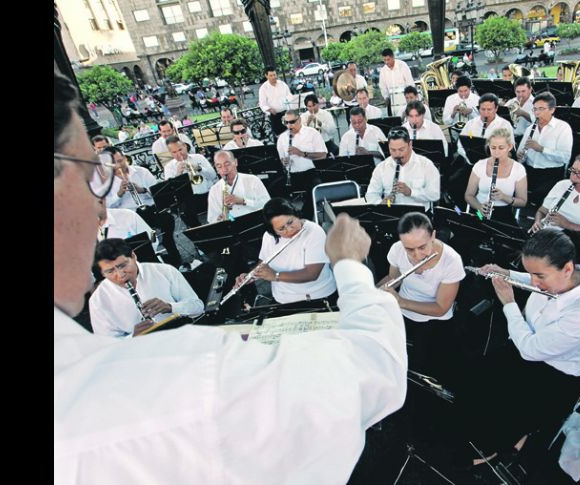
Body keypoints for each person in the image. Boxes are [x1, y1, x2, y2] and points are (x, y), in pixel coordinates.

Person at [55, 66, 408, 483]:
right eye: (93, 179)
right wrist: (349, 264)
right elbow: (372, 371)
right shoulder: (196, 375)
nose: (102, 209)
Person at [458, 228, 580, 468]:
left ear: (567, 269)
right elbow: (534, 277)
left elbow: (531, 349)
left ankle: (498, 445)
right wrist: (507, 273)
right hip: (523, 350)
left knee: (495, 412)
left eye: (540, 277)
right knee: (472, 381)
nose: (535, 284)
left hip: (553, 376)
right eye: (531, 275)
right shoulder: (561, 274)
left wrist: (509, 302)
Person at [376, 212, 465, 375]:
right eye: (409, 249)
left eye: (422, 247)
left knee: (421, 369)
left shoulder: (451, 261)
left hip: (434, 321)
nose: (417, 256)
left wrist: (401, 301)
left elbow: (441, 308)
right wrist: (373, 294)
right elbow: (393, 278)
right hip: (402, 311)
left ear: (433, 236)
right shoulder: (397, 249)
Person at [89, 238, 204, 338]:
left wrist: (171, 307)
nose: (120, 275)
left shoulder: (164, 271)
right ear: (102, 274)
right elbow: (107, 344)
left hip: (181, 336)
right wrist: (132, 338)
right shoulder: (97, 301)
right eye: (110, 271)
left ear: (133, 256)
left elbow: (198, 307)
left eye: (123, 265)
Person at [233, 198, 337, 305]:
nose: (289, 229)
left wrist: (275, 276)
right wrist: (251, 275)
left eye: (290, 222)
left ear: (296, 214)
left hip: (316, 297)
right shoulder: (269, 236)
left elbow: (311, 274)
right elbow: (263, 261)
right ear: (273, 231)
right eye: (281, 229)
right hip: (282, 297)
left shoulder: (314, 232)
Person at [517, 92, 573, 204]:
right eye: (535, 109)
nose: (537, 113)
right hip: (529, 171)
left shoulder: (563, 128)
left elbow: (565, 158)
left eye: (541, 109)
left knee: (538, 197)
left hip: (551, 174)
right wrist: (520, 156)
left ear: (552, 110)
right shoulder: (530, 129)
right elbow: (520, 153)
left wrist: (541, 149)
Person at [365, 127, 440, 211]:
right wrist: (381, 203)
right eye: (393, 150)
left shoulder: (426, 165)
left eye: (401, 149)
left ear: (410, 144)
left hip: (418, 218)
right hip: (392, 216)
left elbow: (435, 194)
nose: (397, 154)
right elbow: (371, 194)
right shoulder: (381, 168)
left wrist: (411, 192)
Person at [464, 127, 527, 219]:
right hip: (479, 211)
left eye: (501, 148)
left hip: (504, 213)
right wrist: (479, 207)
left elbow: (522, 202)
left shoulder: (518, 169)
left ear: (509, 147)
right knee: (475, 227)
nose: (496, 153)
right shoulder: (479, 165)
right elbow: (468, 195)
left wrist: (504, 197)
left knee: (502, 232)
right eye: (493, 148)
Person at [275, 109, 326, 216]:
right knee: (274, 188)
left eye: (292, 122)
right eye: (286, 122)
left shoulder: (312, 133)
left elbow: (323, 155)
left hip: (311, 172)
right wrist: (284, 162)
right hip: (292, 175)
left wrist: (302, 153)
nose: (289, 125)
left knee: (314, 188)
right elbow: (281, 160)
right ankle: (287, 216)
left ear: (299, 120)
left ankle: (304, 216)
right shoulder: (282, 138)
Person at [163, 135, 218, 228]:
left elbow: (213, 176)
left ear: (185, 146)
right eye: (174, 152)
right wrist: (178, 174)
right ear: (170, 153)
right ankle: (198, 231)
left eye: (180, 150)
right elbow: (171, 191)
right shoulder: (169, 167)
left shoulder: (199, 157)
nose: (179, 154)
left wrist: (199, 168)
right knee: (185, 212)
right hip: (189, 199)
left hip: (208, 193)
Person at [207, 150, 271, 223]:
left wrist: (243, 201)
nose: (224, 170)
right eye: (219, 166)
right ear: (216, 169)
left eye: (227, 164)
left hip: (257, 222)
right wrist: (219, 219)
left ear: (235, 162)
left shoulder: (253, 180)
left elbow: (268, 204)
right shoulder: (214, 190)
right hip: (231, 227)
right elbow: (212, 219)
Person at [378, 48, 415, 117]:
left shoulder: (403, 66)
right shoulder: (383, 71)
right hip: (391, 103)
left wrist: (410, 98)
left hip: (405, 100)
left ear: (393, 57)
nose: (386, 62)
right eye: (384, 60)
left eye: (388, 59)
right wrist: (386, 97)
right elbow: (382, 86)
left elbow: (410, 83)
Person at [258, 67, 292, 136]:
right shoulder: (263, 88)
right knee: (280, 136)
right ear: (266, 76)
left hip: (286, 113)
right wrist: (269, 109)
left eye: (274, 75)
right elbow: (262, 104)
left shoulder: (282, 84)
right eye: (271, 75)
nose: (274, 77)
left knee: (291, 134)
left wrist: (289, 103)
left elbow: (290, 96)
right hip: (275, 116)